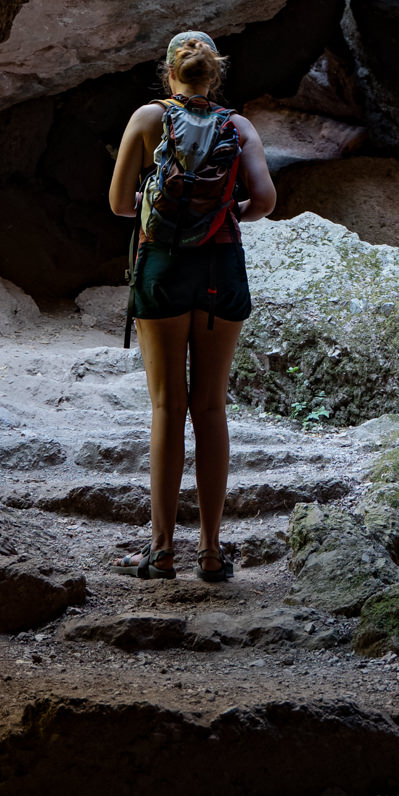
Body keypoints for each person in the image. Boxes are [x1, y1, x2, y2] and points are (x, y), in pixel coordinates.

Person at [108, 30, 275, 582]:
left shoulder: (146, 119)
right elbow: (265, 201)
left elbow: (117, 204)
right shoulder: (239, 127)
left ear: (169, 72)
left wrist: (158, 207)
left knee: (166, 408)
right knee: (210, 408)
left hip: (162, 268)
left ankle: (160, 552)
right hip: (220, 269)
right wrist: (221, 213)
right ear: (214, 75)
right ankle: (209, 550)